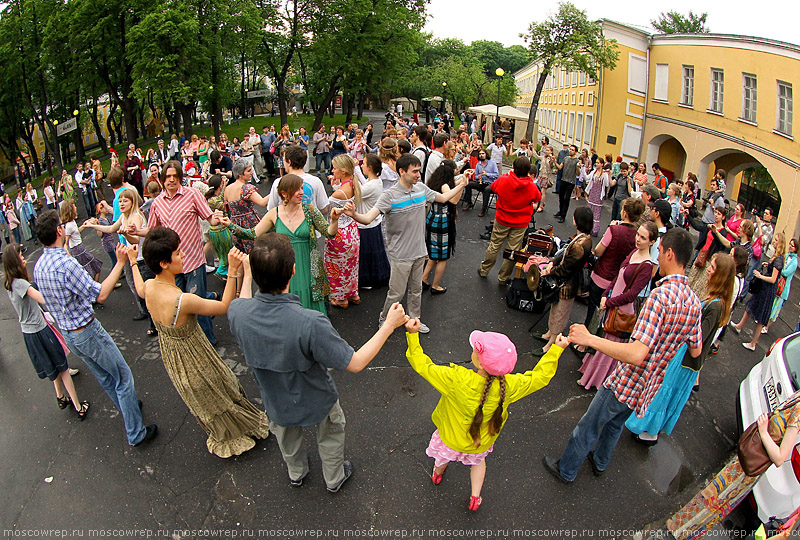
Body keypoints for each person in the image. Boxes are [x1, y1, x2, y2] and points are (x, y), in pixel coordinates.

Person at [227, 233, 409, 491]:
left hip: (275, 398)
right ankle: (334, 478)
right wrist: (389, 326)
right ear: (292, 271)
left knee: (286, 435)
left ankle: (296, 472)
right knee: (331, 432)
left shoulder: (238, 313)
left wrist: (243, 272)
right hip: (316, 396)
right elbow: (355, 363)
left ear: (255, 274)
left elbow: (243, 300)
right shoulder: (309, 322)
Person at [544, 228, 702, 483]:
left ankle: (567, 469)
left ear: (670, 254)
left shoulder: (659, 297)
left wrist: (590, 339)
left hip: (628, 379)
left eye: (659, 251)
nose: (657, 257)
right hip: (650, 385)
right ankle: (600, 461)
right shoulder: (694, 302)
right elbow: (696, 348)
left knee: (589, 425)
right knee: (615, 424)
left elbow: (637, 354)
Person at [129, 228, 269, 458]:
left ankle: (228, 430)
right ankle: (236, 433)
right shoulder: (182, 301)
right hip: (195, 356)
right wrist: (233, 271)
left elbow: (140, 289)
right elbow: (225, 306)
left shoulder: (151, 286)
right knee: (218, 391)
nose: (182, 254)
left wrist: (133, 262)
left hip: (174, 358)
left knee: (207, 399)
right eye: (177, 253)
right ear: (164, 263)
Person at [406, 323, 563, 511]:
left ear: (479, 362)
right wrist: (556, 350)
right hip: (481, 442)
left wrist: (413, 335)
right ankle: (475, 496)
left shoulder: (457, 379)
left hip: (450, 437)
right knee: (478, 463)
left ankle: (437, 474)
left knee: (442, 456)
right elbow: (540, 377)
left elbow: (422, 364)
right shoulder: (510, 386)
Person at [33, 210, 157, 446]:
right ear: (60, 231)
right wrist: (121, 263)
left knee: (106, 377)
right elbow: (99, 295)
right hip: (86, 331)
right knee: (122, 377)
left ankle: (127, 407)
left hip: (69, 334)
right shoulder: (65, 263)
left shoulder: (39, 266)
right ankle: (136, 432)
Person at [345, 153, 467, 334]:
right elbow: (368, 218)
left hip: (419, 251)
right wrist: (354, 214)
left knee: (416, 290)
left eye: (419, 171)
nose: (418, 175)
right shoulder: (389, 196)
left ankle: (415, 320)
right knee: (396, 293)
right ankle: (385, 320)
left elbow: (443, 198)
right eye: (415, 171)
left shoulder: (421, 189)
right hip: (400, 255)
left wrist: (462, 184)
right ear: (402, 172)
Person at [626, 252, 735, 445]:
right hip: (684, 358)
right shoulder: (714, 300)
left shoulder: (715, 306)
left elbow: (698, 337)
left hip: (686, 361)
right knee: (662, 391)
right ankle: (648, 429)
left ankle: (650, 432)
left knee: (664, 393)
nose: (708, 270)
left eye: (712, 268)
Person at [667, 391, 800, 539]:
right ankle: (680, 526)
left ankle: (682, 531)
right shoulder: (797, 397)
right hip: (748, 456)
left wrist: (763, 432)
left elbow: (780, 458)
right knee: (713, 492)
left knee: (717, 498)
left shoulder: (798, 411)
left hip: (751, 464)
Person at [129, 161, 224, 346]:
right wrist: (135, 231)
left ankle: (209, 342)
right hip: (172, 265)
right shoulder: (157, 203)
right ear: (162, 179)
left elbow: (209, 217)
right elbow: (152, 230)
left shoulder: (192, 195)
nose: (171, 180)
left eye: (175, 176)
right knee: (180, 305)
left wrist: (216, 219)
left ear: (180, 177)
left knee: (196, 304)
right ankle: (209, 300)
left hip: (193, 260)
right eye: (168, 176)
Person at [3, 244, 88, 419]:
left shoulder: (12, 282)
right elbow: (42, 298)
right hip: (39, 331)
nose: (23, 257)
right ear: (14, 261)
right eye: (20, 255)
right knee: (62, 368)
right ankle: (79, 406)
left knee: (54, 366)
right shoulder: (19, 283)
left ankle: (60, 396)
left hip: (33, 332)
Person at [240, 174, 343, 315]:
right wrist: (230, 226)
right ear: (284, 193)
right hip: (284, 266)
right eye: (297, 189)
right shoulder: (273, 214)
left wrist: (334, 220)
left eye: (302, 188)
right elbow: (252, 234)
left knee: (309, 300)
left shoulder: (310, 211)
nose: (302, 192)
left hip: (309, 267)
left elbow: (329, 233)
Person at [578, 222, 657, 389]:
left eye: (643, 238)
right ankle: (591, 375)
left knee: (608, 348)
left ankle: (597, 380)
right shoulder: (634, 252)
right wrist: (606, 294)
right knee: (602, 341)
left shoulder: (647, 266)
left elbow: (632, 295)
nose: (638, 239)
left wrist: (609, 301)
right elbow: (618, 275)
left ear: (651, 242)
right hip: (612, 304)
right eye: (638, 235)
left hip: (621, 311)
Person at [528, 207, 594, 357]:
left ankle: (551, 343)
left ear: (578, 222)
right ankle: (548, 334)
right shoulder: (583, 238)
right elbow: (564, 255)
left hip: (568, 284)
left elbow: (566, 268)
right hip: (566, 281)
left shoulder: (580, 245)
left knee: (560, 314)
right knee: (555, 309)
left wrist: (549, 270)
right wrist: (553, 262)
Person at [582, 197, 645, 330]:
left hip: (601, 275)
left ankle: (585, 341)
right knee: (607, 315)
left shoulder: (614, 230)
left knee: (593, 310)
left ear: (625, 213)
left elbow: (598, 251)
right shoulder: (637, 236)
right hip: (619, 282)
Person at [478, 157, 541, 284]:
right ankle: (503, 277)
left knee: (494, 245)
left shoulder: (504, 179)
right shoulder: (531, 186)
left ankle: (485, 269)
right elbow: (537, 198)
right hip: (521, 222)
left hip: (502, 219)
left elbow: (493, 187)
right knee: (512, 250)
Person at [421, 160, 472, 295]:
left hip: (432, 218)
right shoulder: (444, 185)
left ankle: (424, 279)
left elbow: (450, 186)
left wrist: (463, 178)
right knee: (443, 256)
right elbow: (453, 200)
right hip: (442, 222)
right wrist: (462, 186)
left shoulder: (435, 182)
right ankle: (436, 285)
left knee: (433, 254)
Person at [731, 232, 786, 350]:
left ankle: (753, 343)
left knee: (761, 316)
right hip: (764, 289)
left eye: (776, 240)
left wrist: (760, 276)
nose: (774, 241)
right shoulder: (777, 258)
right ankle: (740, 326)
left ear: (780, 243)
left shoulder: (778, 260)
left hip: (767, 291)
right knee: (752, 305)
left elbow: (773, 279)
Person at [325, 155, 362, 309]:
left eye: (335, 168)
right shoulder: (353, 184)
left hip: (339, 233)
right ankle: (353, 294)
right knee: (351, 265)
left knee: (336, 266)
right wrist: (335, 185)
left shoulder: (339, 193)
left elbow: (327, 210)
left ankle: (341, 299)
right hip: (352, 230)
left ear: (343, 170)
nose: (333, 171)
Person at [355, 155, 390, 289]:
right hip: (372, 222)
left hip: (366, 224)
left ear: (369, 167)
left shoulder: (371, 185)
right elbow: (363, 184)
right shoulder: (376, 182)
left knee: (366, 255)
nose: (361, 166)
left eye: (363, 164)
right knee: (374, 254)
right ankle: (374, 278)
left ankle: (367, 281)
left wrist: (352, 173)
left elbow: (356, 193)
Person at [223, 161, 269, 253]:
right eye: (248, 171)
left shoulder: (227, 189)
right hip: (249, 224)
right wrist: (276, 190)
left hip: (234, 225)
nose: (252, 172)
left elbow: (226, 209)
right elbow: (263, 202)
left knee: (240, 255)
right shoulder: (246, 188)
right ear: (240, 174)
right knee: (255, 253)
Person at [60, 200, 103, 281]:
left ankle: (93, 286)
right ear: (70, 210)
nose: (76, 208)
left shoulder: (72, 222)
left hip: (80, 248)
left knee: (93, 268)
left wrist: (84, 226)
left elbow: (76, 232)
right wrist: (68, 254)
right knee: (95, 266)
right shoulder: (68, 226)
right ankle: (94, 288)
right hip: (77, 250)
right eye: (74, 207)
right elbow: (66, 243)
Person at [765, 236, 798, 334]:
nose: (790, 247)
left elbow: (786, 272)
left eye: (793, 246)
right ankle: (764, 322)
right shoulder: (787, 256)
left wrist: (778, 268)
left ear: (796, 248)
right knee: (770, 304)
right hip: (777, 284)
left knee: (775, 309)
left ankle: (767, 327)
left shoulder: (794, 262)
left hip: (783, 289)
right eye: (790, 245)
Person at [463, 149, 498, 217]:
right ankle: (469, 202)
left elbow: (496, 175)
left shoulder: (492, 163)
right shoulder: (478, 164)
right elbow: (475, 176)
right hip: (481, 182)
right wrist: (478, 176)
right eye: (480, 154)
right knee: (468, 184)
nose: (481, 155)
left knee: (486, 190)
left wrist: (487, 174)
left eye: (483, 154)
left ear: (486, 155)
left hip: (490, 183)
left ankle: (484, 209)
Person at [585, 157, 610, 237]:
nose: (596, 164)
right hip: (592, 193)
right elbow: (587, 177)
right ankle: (588, 228)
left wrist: (607, 175)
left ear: (602, 164)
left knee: (597, 213)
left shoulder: (604, 174)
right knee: (590, 210)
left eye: (598, 163)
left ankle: (595, 230)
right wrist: (583, 169)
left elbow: (606, 184)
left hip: (599, 195)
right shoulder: (594, 172)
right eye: (596, 162)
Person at [554, 145, 579, 224]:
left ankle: (563, 215)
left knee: (566, 198)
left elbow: (578, 173)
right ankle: (560, 211)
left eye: (572, 150)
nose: (570, 151)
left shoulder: (577, 161)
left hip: (571, 182)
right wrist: (554, 161)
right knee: (561, 196)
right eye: (570, 149)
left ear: (575, 152)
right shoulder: (566, 158)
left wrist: (578, 167)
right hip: (563, 179)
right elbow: (560, 167)